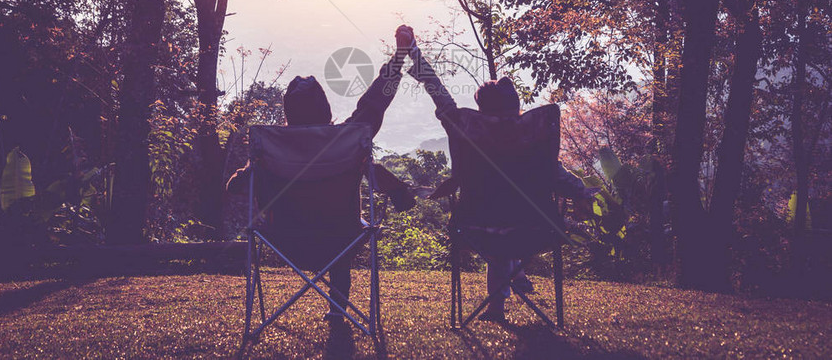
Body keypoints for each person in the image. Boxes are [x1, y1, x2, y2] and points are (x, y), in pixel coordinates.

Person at [226, 25, 417, 321]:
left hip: (286, 240)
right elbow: (375, 103)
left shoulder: (271, 149)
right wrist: (400, 56)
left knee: (329, 223)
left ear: (288, 111)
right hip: (339, 239)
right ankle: (338, 308)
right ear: (326, 108)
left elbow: (235, 188)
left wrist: (252, 169)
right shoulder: (345, 140)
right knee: (341, 226)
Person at [405, 32, 596, 322]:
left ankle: (498, 304)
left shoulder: (466, 131)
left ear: (481, 109)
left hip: (476, 227)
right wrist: (582, 192)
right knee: (510, 226)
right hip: (535, 228)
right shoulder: (533, 138)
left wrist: (415, 53)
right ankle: (515, 274)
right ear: (516, 105)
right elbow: (557, 176)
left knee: (498, 231)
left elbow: (439, 94)